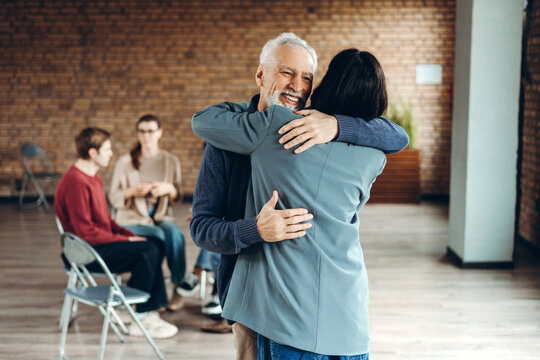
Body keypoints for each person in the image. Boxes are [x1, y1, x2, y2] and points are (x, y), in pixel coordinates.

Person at [190, 33, 408, 358]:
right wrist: (254, 229)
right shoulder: (226, 141)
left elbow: (396, 135)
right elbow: (202, 229)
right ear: (260, 74)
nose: (297, 86)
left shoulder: (314, 130)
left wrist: (337, 125)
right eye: (286, 72)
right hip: (250, 295)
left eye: (306, 77)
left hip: (307, 306)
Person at [54, 127, 178, 338]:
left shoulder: (93, 177)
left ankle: (140, 310)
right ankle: (140, 316)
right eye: (107, 149)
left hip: (96, 245)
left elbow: (105, 222)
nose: (111, 153)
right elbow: (86, 233)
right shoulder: (76, 181)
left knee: (156, 242)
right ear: (93, 153)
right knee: (147, 250)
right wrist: (126, 238)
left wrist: (127, 234)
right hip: (84, 253)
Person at [109, 114, 188, 311]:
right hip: (132, 217)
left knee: (174, 235)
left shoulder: (170, 161)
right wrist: (131, 191)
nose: (146, 136)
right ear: (137, 134)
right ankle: (155, 289)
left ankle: (178, 286)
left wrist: (168, 188)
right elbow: (113, 196)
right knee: (159, 237)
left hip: (159, 214)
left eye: (151, 131)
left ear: (159, 133)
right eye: (142, 131)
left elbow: (177, 195)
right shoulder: (125, 162)